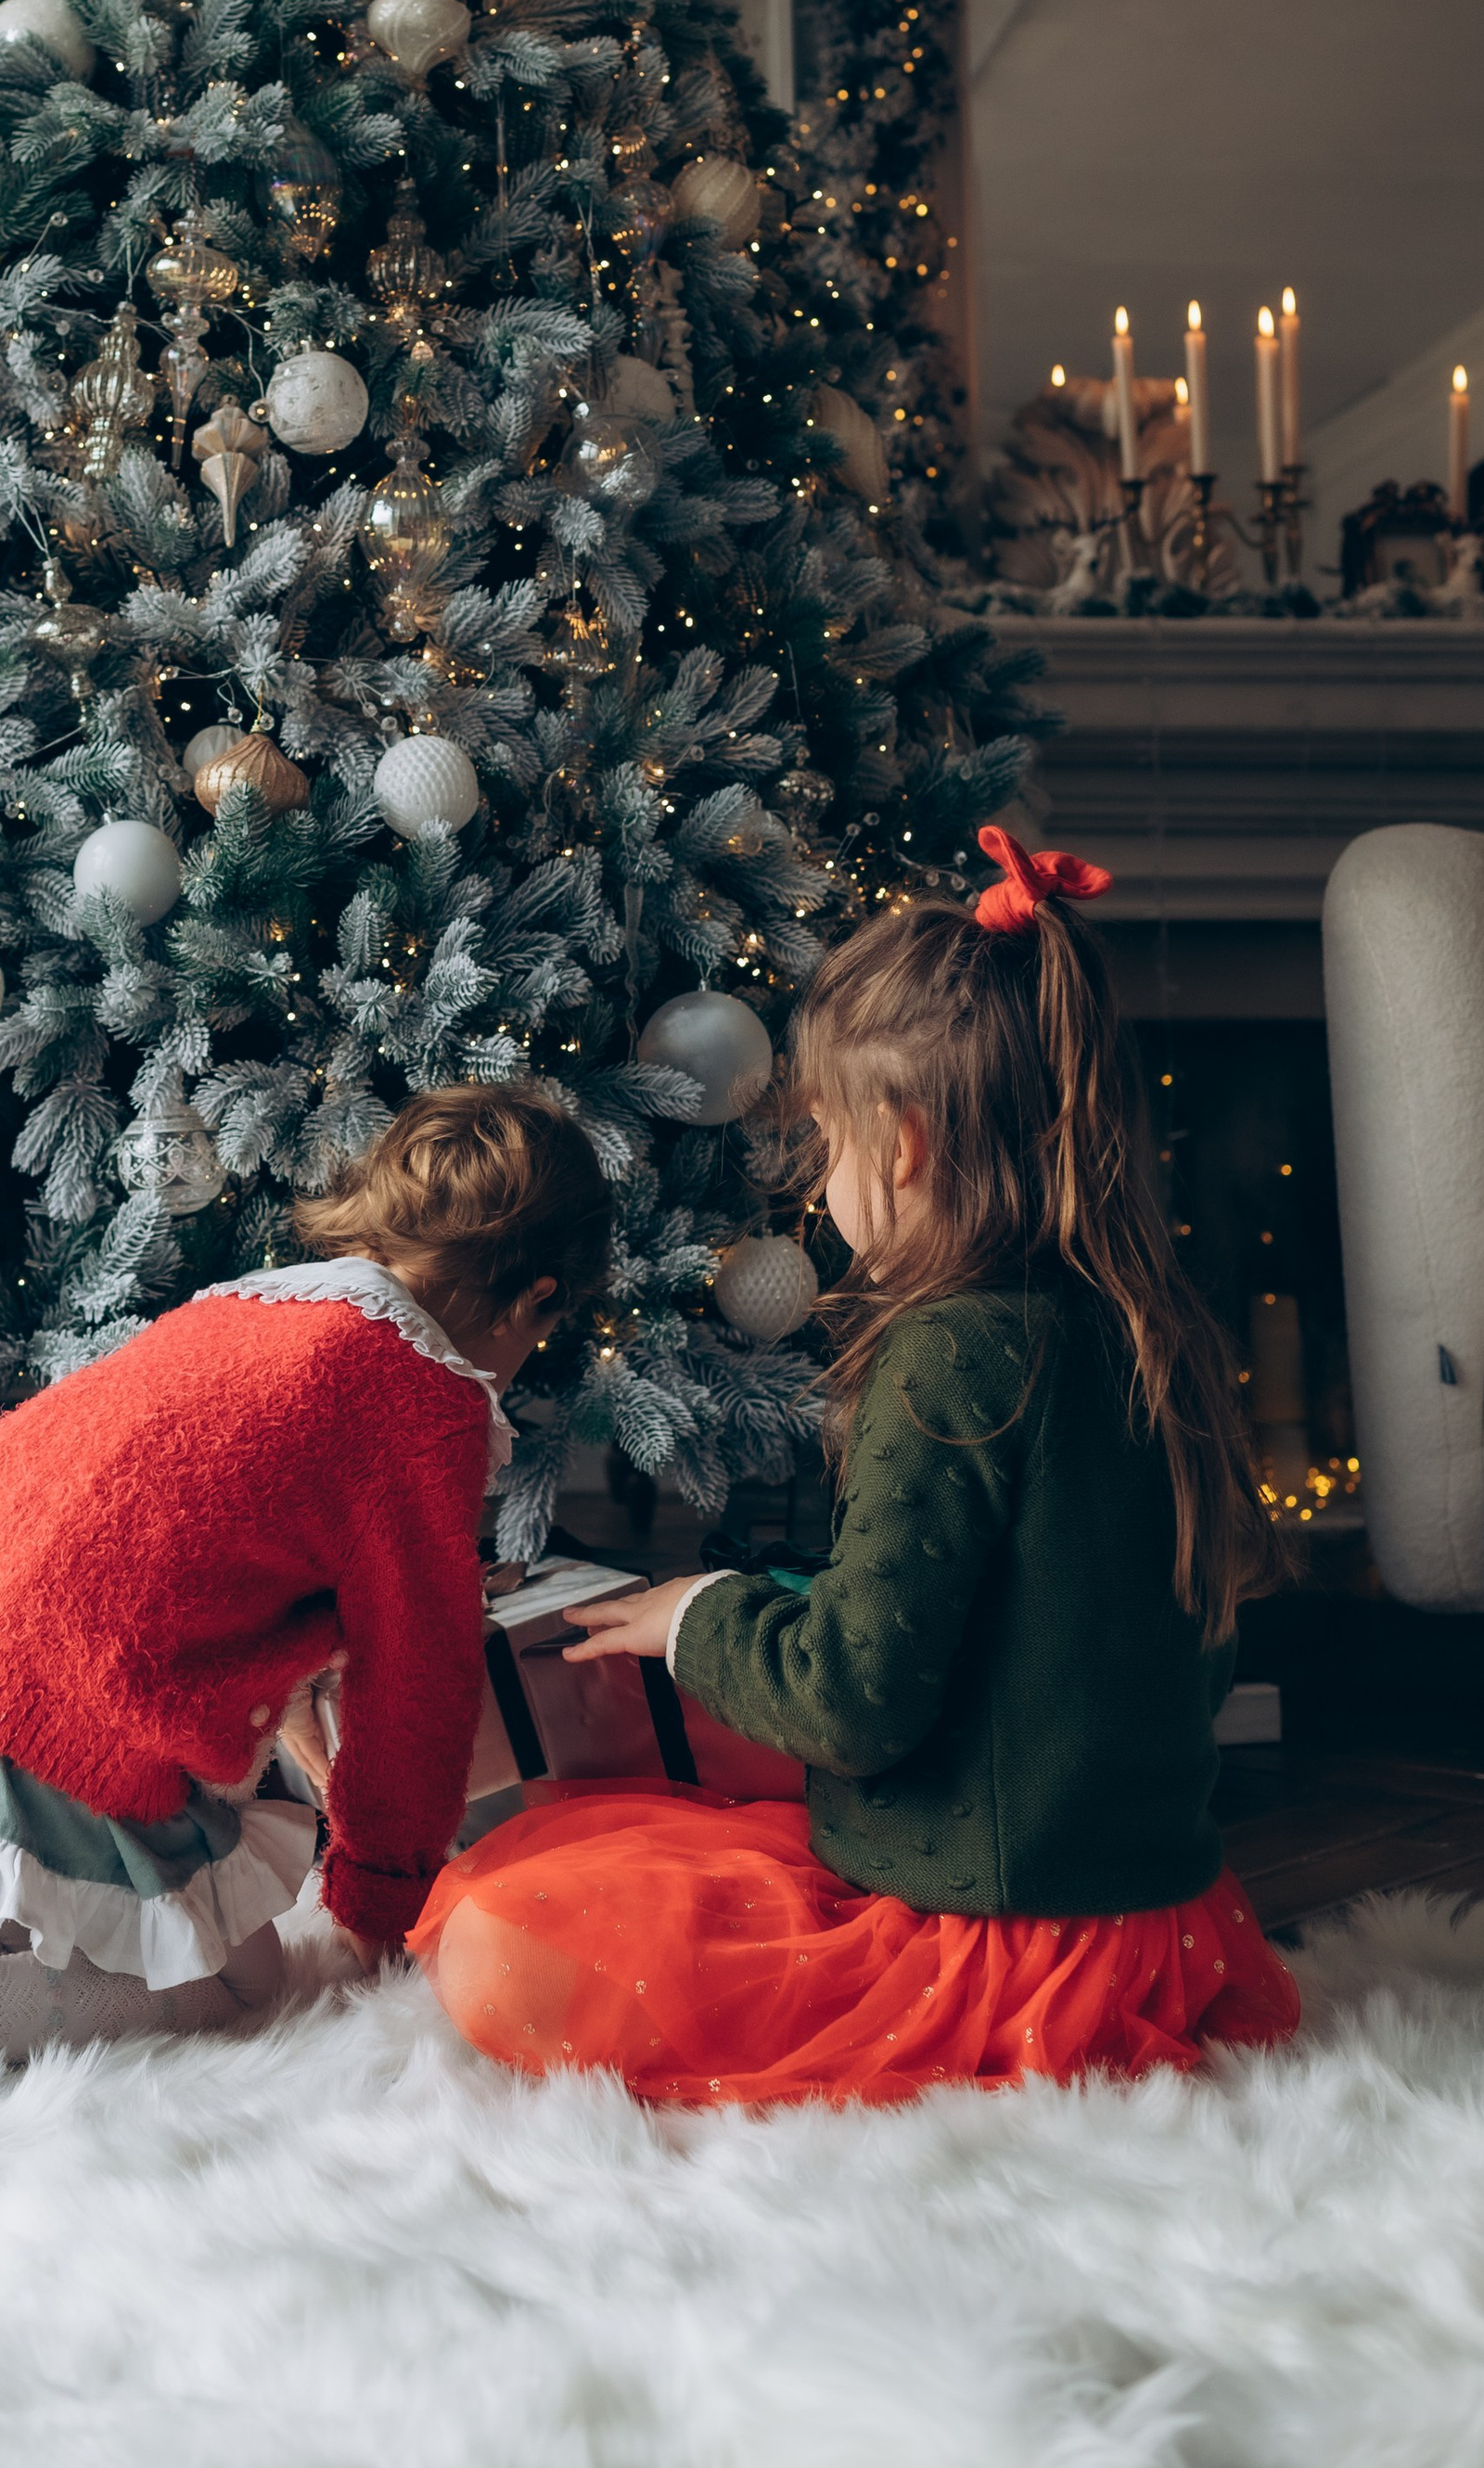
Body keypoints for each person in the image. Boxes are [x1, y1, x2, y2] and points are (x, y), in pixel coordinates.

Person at [411, 827, 1302, 2108]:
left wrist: (696, 1614)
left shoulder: (951, 1354)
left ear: (903, 1145)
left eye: (826, 1142)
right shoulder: (1146, 1324)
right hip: (1160, 1925)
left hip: (994, 1951)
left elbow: (855, 1702)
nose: (821, 1182)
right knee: (666, 1836)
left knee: (517, 1913)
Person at [0, 1083, 609, 2115]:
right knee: (231, 1988)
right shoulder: (421, 1398)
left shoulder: (246, 1307)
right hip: (62, 1696)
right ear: (536, 1300)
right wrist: (375, 1896)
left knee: (58, 1894)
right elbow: (418, 1684)